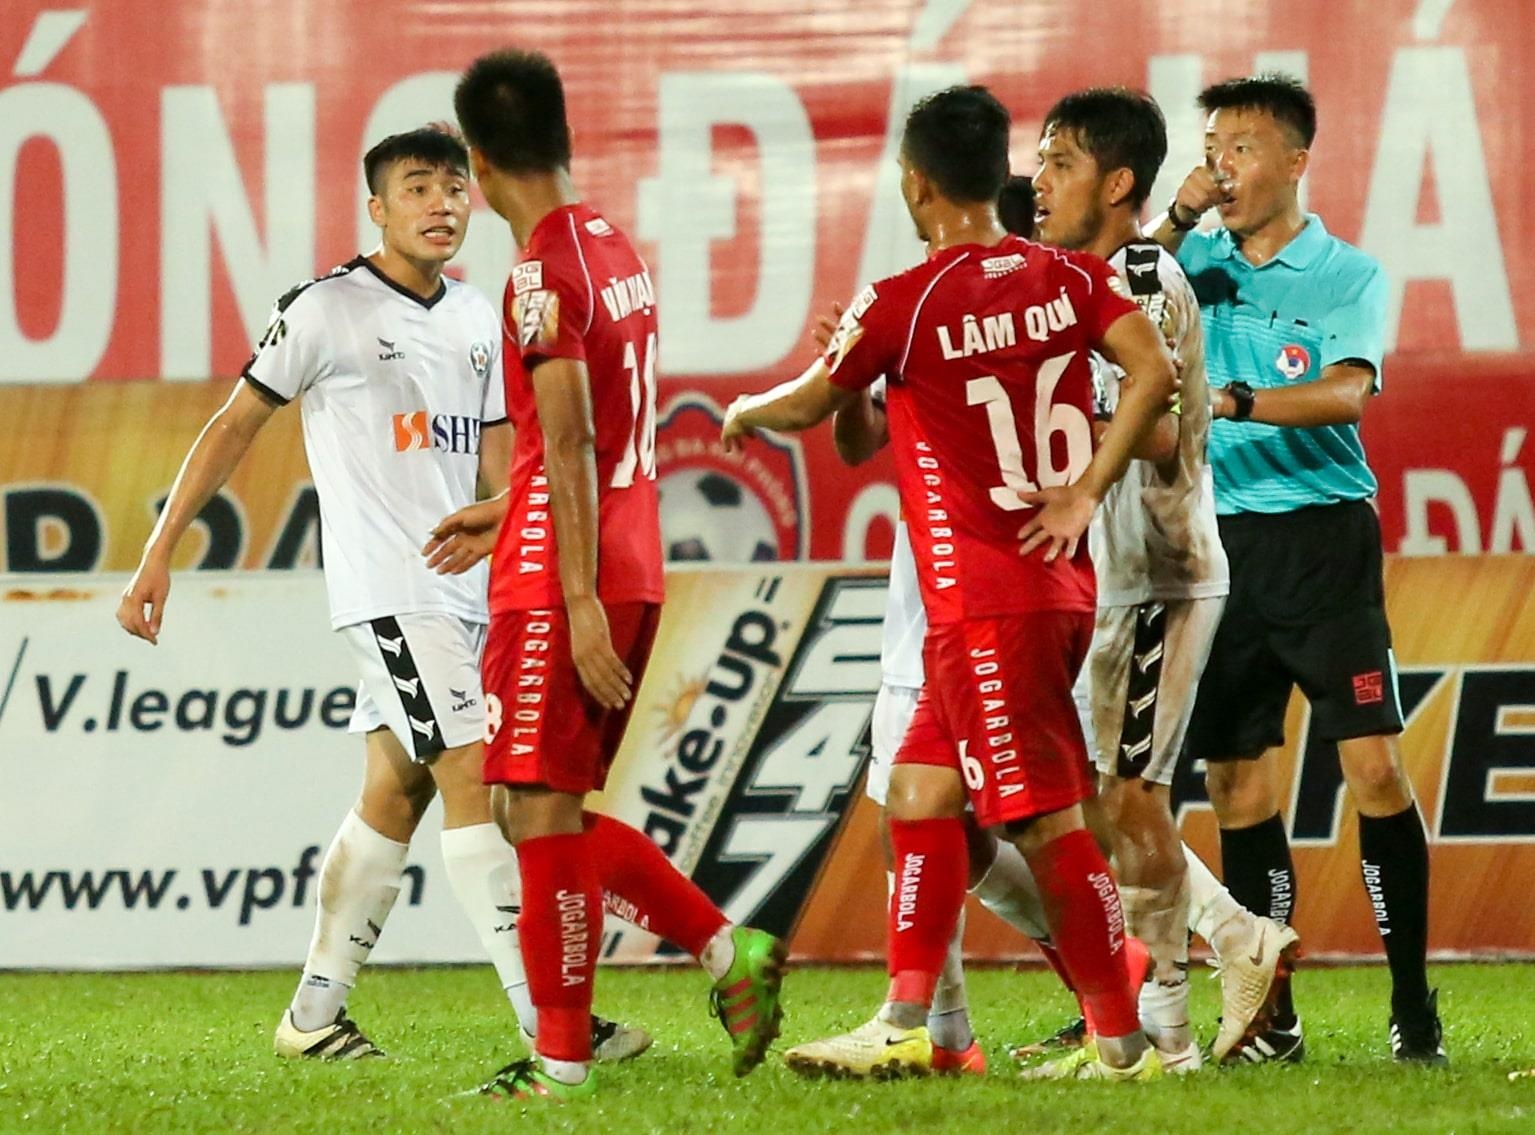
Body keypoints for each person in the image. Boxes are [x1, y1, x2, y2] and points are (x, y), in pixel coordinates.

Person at [117, 128, 646, 1064]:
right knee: (480, 784)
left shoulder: (482, 314)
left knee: (392, 795)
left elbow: (497, 460)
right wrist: (159, 551)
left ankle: (312, 1017)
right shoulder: (326, 309)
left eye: (452, 187)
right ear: (377, 209)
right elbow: (235, 424)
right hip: (390, 592)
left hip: (472, 594)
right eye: (416, 189)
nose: (441, 205)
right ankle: (551, 1025)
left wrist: (510, 533)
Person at [723, 84, 1178, 1082]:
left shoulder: (903, 299)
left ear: (912, 182)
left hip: (987, 597)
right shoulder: (1064, 277)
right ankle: (905, 1021)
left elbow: (811, 407)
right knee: (921, 792)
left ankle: (1121, 1041)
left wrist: (746, 409)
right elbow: (1154, 377)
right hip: (1036, 593)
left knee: (1045, 823)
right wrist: (1086, 489)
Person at [433, 49, 786, 1104]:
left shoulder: (537, 270)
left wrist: (572, 592)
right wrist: (509, 511)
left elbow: (575, 436)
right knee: (537, 807)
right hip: (622, 548)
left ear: (480, 161)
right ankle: (727, 951)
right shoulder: (610, 246)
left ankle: (560, 1063)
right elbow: (592, 439)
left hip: (563, 573)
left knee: (535, 813)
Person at [1151, 73, 1444, 1064]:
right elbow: (1103, 286)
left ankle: (1411, 1006)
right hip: (1215, 546)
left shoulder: (1343, 273)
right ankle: (1271, 1017)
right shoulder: (1188, 261)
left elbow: (1340, 395)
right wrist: (1175, 216)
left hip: (1319, 540)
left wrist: (1227, 402)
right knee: (1235, 786)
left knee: (1372, 767)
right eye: (1212, 143)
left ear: (1291, 158)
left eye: (1240, 144)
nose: (1222, 161)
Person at [1020, 86, 1298, 1071]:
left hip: (1154, 571)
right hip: (1126, 573)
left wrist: (1062, 474)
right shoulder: (1091, 273)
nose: (1038, 179)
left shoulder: (1136, 276)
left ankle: (1208, 974)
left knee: (1125, 799)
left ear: (1115, 180)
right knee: (1109, 799)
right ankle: (1162, 1019)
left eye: (1058, 161)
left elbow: (1158, 424)